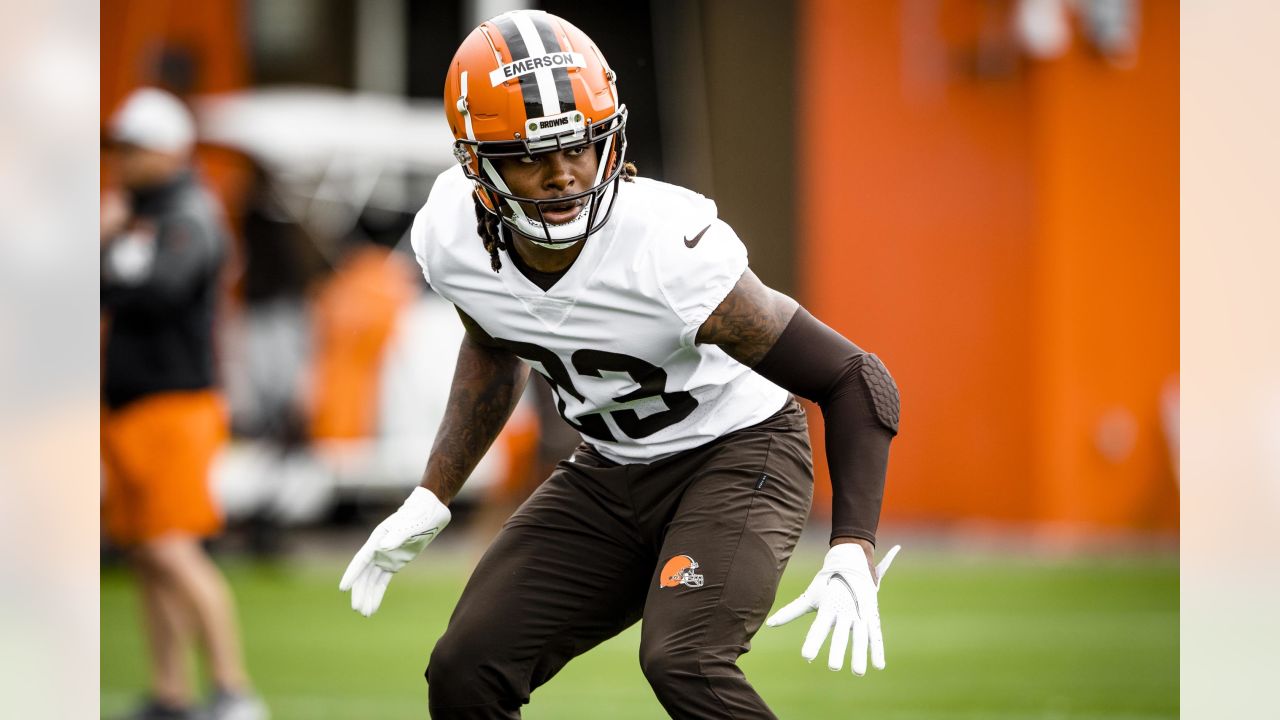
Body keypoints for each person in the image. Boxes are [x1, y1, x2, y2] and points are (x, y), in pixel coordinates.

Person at [340, 11, 902, 719]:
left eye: (579, 146)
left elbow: (854, 377)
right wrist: (432, 494)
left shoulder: (668, 249)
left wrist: (853, 542)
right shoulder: (451, 236)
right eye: (528, 155)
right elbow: (494, 343)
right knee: (465, 669)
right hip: (610, 469)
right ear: (473, 161)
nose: (562, 174)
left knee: (685, 660)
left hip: (735, 455)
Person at [101, 87, 268, 720]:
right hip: (130, 403)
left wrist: (110, 253)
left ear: (169, 151)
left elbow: (162, 290)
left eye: (133, 147)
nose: (122, 159)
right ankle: (169, 691)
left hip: (176, 403)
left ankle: (232, 689)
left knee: (173, 546)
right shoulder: (134, 213)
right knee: (147, 550)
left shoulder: (188, 213)